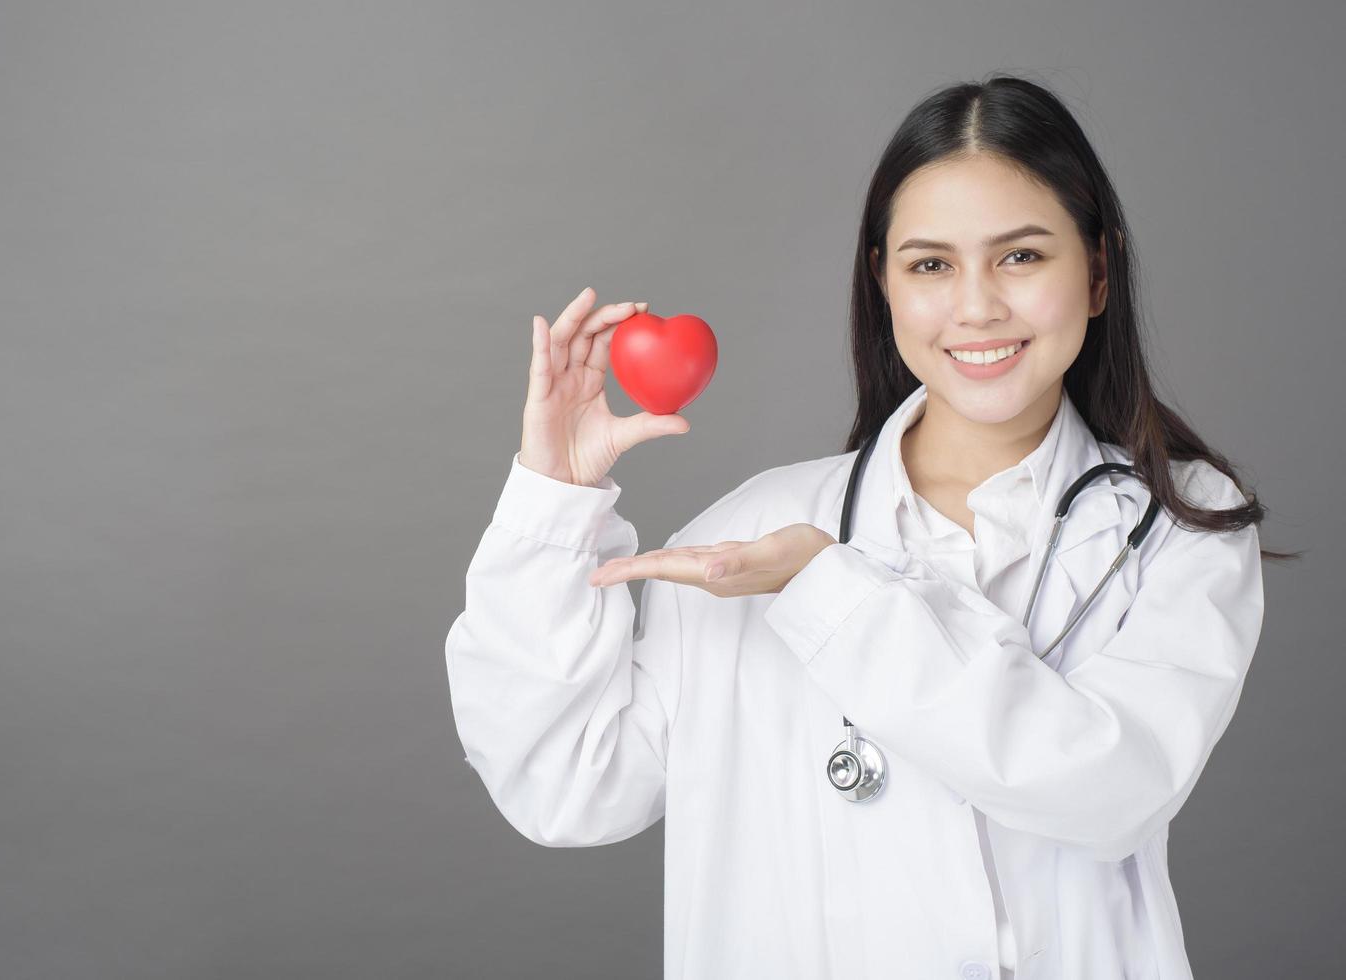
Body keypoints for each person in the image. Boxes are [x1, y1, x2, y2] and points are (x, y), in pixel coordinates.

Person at [444, 74, 1290, 980]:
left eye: (1021, 257)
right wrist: (554, 495)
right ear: (882, 281)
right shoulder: (756, 530)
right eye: (931, 265)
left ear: (1098, 272)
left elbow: (1114, 791)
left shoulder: (1177, 525)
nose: (976, 307)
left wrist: (831, 593)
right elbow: (569, 787)